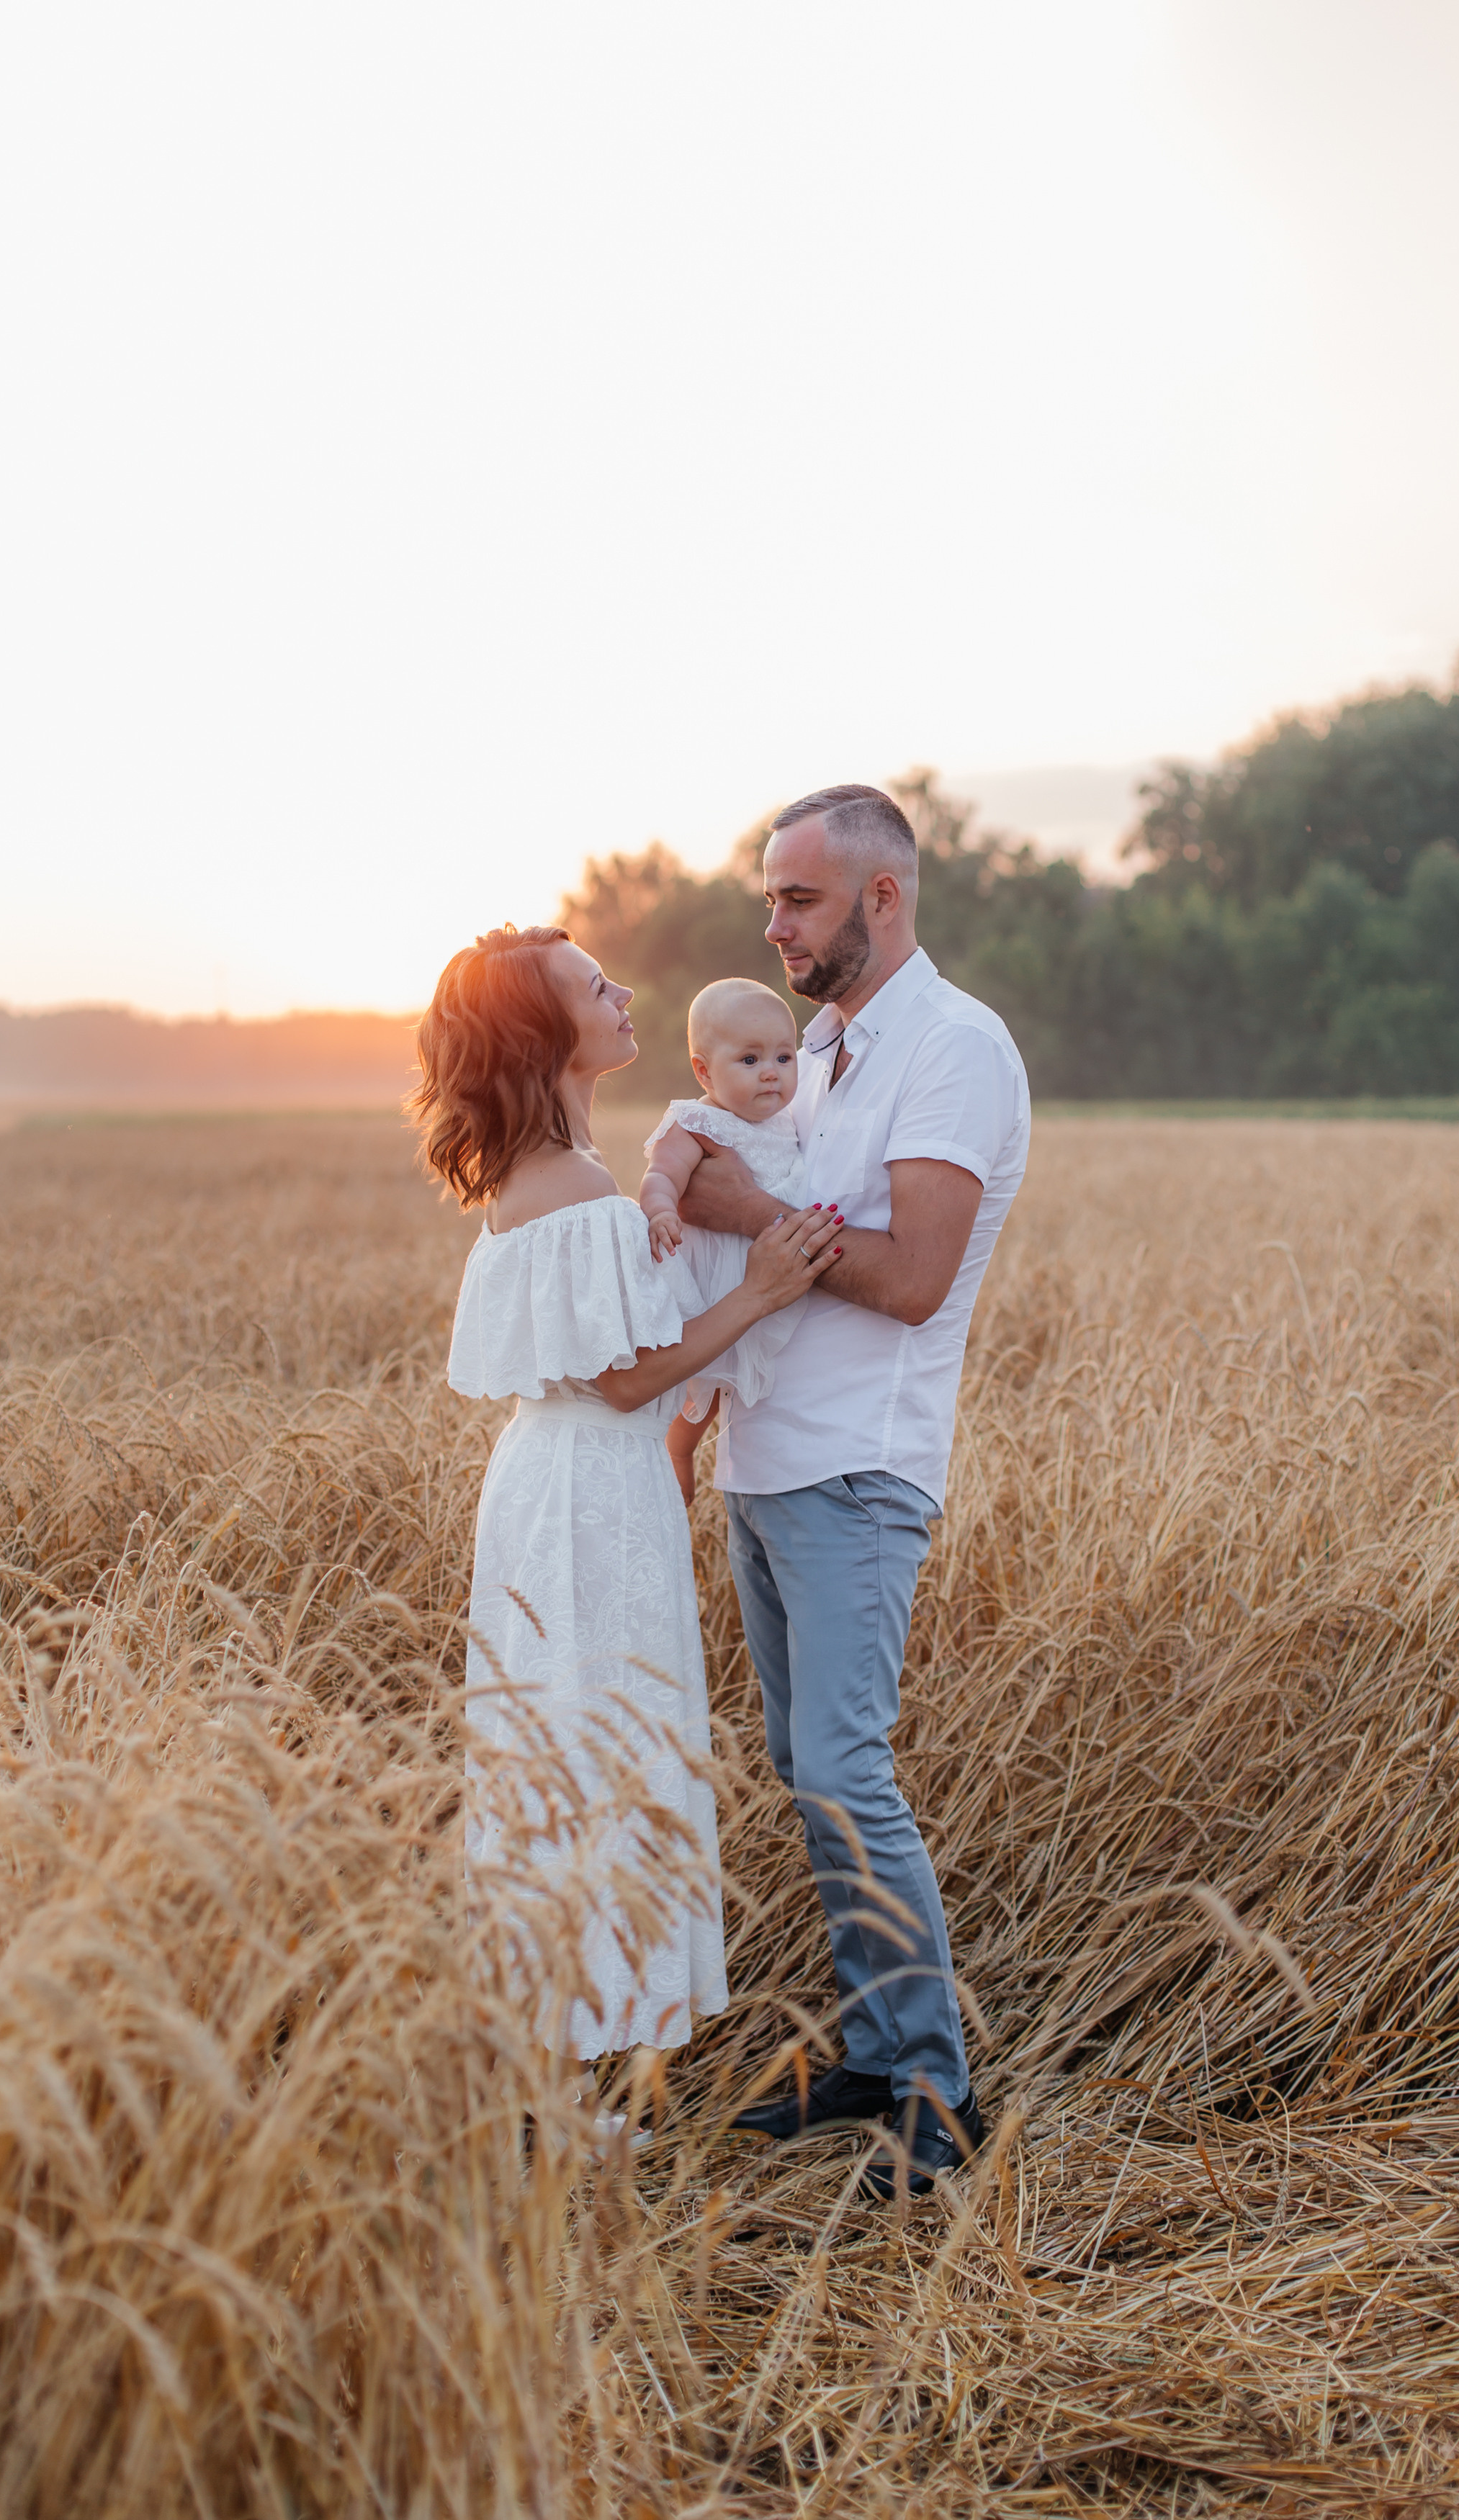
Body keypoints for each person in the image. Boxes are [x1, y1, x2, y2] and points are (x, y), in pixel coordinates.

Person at [675, 786, 1030, 2199]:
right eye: (768, 898)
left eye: (796, 900)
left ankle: (934, 2090)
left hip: (857, 1469)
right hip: (768, 1463)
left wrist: (742, 1214)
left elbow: (905, 1277)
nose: (770, 925)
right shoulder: (810, 1047)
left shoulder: (951, 1048)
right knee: (805, 1770)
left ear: (881, 899)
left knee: (839, 1763)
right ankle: (877, 2057)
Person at [413, 924, 839, 2095]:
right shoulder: (573, 1182)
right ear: (545, 1032)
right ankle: (577, 2076)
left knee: (574, 1747)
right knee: (594, 1752)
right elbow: (624, 1374)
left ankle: (568, 2066)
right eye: (592, 988)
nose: (621, 993)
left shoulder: (555, 1168)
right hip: (586, 1482)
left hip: (570, 1483)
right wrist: (760, 1289)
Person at [637, 977, 810, 1503]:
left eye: (784, 1058)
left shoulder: (790, 1124)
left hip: (759, 1280)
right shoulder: (696, 1122)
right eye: (750, 1060)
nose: (771, 1074)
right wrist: (661, 1211)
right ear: (703, 1071)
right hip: (708, 1283)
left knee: (734, 1381)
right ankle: (678, 1451)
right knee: (699, 1380)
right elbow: (659, 1176)